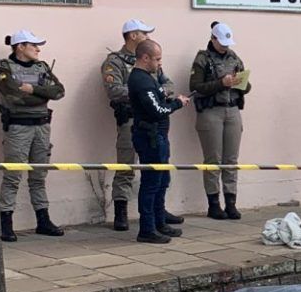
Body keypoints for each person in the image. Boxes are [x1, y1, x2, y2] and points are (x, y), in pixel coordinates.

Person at [102, 18, 181, 232]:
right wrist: (144, 95)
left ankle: (158, 212)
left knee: (159, 170)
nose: (148, 37)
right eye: (144, 33)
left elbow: (169, 85)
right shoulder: (115, 62)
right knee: (126, 166)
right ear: (133, 36)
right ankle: (121, 212)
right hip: (130, 119)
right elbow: (115, 90)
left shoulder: (151, 61)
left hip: (154, 123)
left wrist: (155, 93)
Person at [0, 29, 65, 242]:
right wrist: (42, 95)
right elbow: (13, 95)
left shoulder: (42, 67)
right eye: (33, 45)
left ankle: (43, 220)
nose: (38, 49)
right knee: (13, 176)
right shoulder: (5, 68)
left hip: (42, 126)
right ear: (20, 47)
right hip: (19, 127)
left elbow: (59, 91)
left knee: (39, 175)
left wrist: (33, 91)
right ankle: (5, 223)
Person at [129, 40, 190, 244]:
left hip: (158, 137)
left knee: (162, 180)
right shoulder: (140, 80)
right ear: (145, 58)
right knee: (151, 183)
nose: (159, 63)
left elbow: (159, 97)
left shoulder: (148, 79)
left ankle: (159, 222)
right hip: (150, 137)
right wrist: (178, 103)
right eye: (157, 59)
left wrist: (168, 98)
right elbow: (157, 110)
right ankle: (147, 229)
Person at [190, 21, 249, 220]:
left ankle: (231, 202)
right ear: (213, 39)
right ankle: (214, 204)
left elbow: (247, 87)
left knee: (231, 160)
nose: (225, 46)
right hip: (211, 111)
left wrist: (241, 83)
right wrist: (220, 83)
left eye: (227, 43)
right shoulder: (202, 59)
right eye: (222, 42)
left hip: (232, 109)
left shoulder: (234, 58)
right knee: (213, 160)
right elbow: (196, 87)